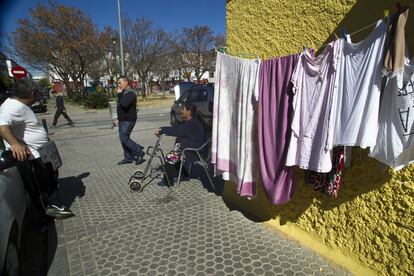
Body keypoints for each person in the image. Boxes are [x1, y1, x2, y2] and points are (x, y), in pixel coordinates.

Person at [0, 79, 74, 219]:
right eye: (38, 92)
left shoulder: (16, 105)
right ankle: (48, 211)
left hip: (43, 152)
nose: (39, 95)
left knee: (51, 178)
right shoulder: (13, 108)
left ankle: (54, 203)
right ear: (33, 93)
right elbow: (2, 125)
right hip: (34, 156)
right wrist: (15, 144)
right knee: (42, 185)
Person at [155, 102, 205, 186]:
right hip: (190, 148)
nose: (181, 111)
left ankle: (168, 182)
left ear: (189, 112)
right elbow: (177, 128)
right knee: (175, 153)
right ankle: (184, 175)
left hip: (192, 151)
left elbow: (177, 131)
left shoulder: (192, 124)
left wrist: (161, 130)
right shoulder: (190, 122)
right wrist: (162, 128)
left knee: (169, 157)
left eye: (183, 109)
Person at [116, 76, 145, 165]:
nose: (118, 85)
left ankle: (139, 151)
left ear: (126, 82)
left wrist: (119, 94)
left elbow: (124, 104)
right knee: (123, 139)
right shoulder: (124, 92)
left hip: (128, 120)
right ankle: (128, 157)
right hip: (122, 120)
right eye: (118, 83)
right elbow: (120, 106)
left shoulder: (131, 93)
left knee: (124, 138)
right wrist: (117, 118)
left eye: (120, 83)